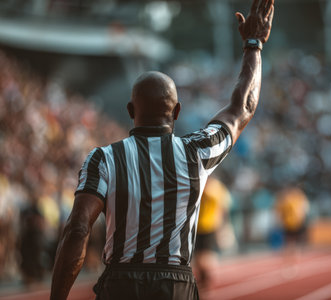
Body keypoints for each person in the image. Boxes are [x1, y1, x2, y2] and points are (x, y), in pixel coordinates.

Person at [50, 0, 274, 299]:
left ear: (131, 110)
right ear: (177, 112)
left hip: (120, 283)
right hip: (175, 285)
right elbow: (242, 108)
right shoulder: (197, 153)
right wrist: (253, 45)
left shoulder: (103, 159)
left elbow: (78, 229)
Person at [193, 176, 233, 289]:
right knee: (201, 254)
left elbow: (223, 205)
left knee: (204, 254)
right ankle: (204, 277)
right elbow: (225, 205)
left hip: (207, 225)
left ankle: (206, 277)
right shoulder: (214, 186)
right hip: (203, 225)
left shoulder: (211, 187)